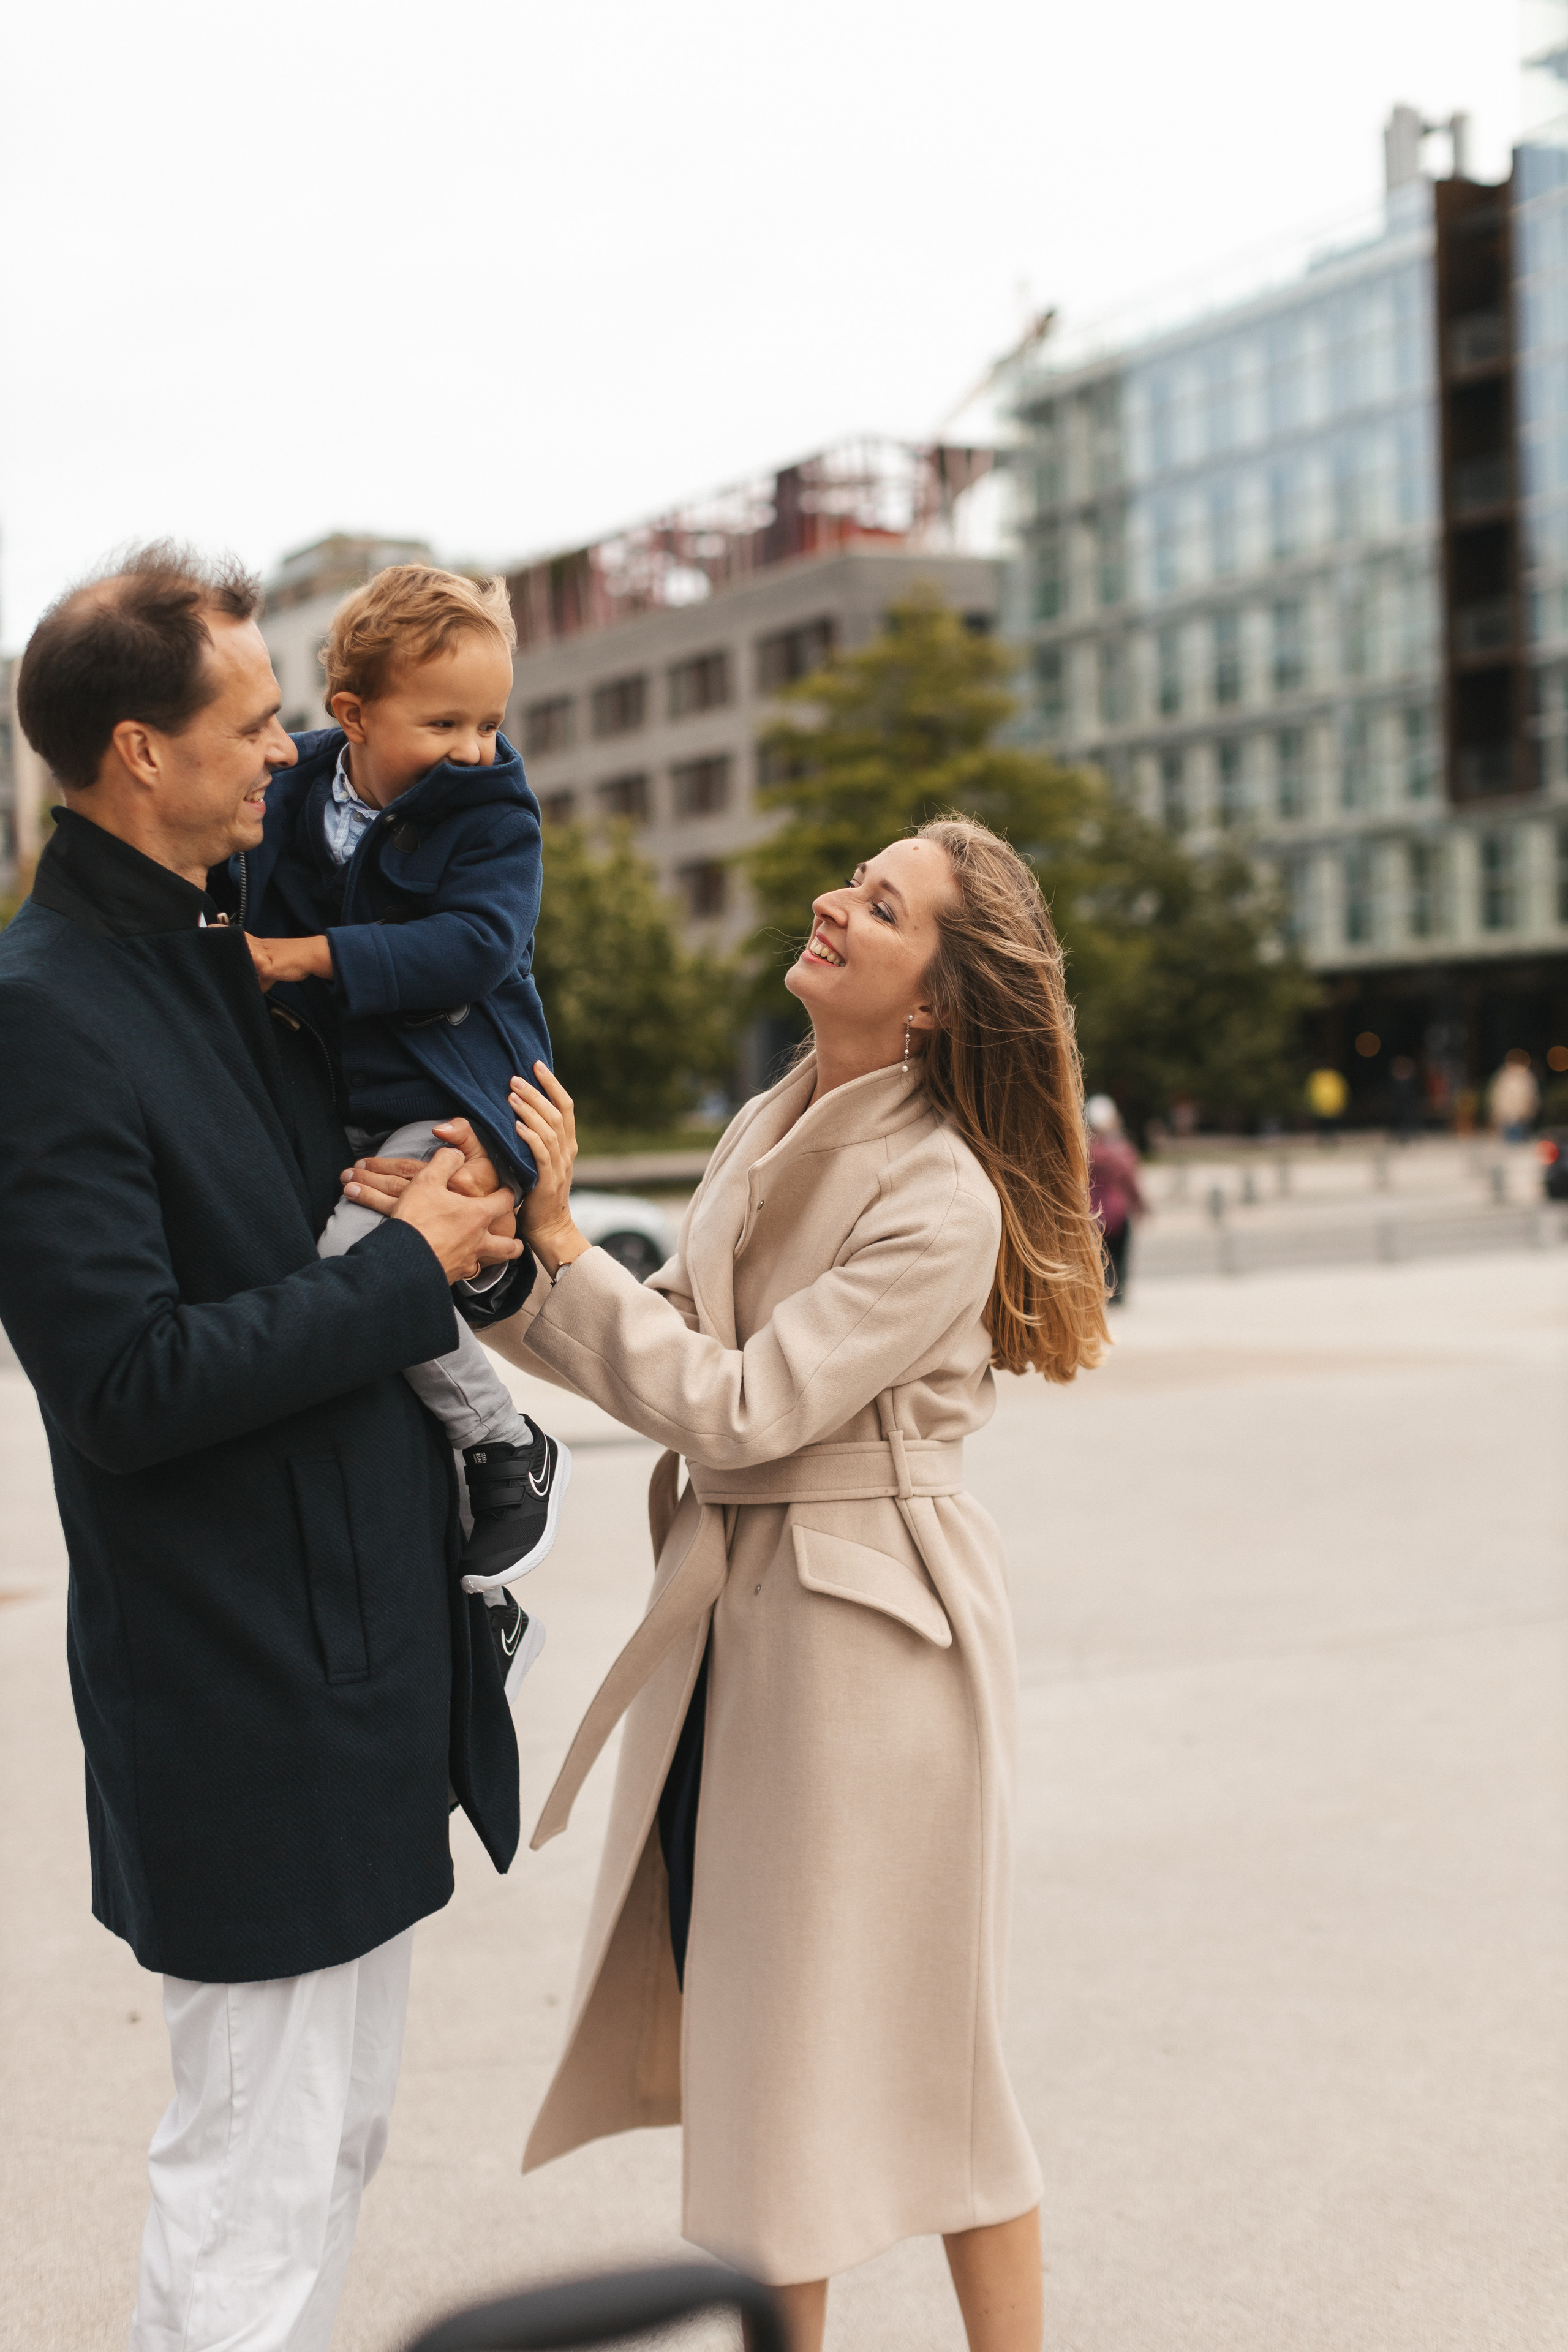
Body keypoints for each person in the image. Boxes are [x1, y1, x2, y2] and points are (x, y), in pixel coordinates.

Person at [352, 816, 1108, 2352]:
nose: (835, 902)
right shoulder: (772, 1118)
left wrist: (555, 1243)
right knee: (779, 2055)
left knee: (908, 2062)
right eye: (854, 880)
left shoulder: (942, 1195)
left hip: (869, 1649)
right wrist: (495, 1263)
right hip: (758, 1624)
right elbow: (672, 1342)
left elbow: (744, 1405)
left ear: (937, 999)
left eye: (879, 905)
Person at [0, 545, 527, 2352]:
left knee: (332, 2153)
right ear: (139, 752)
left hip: (359, 1659)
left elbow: (364, 1205)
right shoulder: (43, 1008)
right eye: (253, 723)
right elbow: (126, 1379)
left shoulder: (231, 950)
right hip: (240, 1678)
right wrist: (403, 1273)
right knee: (250, 2177)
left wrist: (481, 1208)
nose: (290, 749)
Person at [224, 562, 569, 1681]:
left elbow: (477, 945)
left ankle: (505, 1441)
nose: (475, 747)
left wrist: (308, 957)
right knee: (308, 1278)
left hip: (457, 1087)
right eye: (445, 723)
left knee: (354, 1268)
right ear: (352, 716)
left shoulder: (492, 809)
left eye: (490, 721)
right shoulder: (290, 789)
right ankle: (461, 1605)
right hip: (348, 1099)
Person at [1085, 1092, 1147, 1303]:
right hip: (1118, 1211)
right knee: (1119, 1256)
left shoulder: (1083, 1149)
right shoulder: (1119, 1149)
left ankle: (1102, 1293)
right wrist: (1140, 1205)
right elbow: (1130, 1180)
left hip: (1091, 1212)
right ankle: (1117, 1294)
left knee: (1099, 1257)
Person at [1487, 1049, 1539, 1144]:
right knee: (1513, 1145)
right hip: (1511, 1117)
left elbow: (1496, 1096)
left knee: (1516, 1145)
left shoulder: (1505, 1075)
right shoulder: (1508, 1076)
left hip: (1516, 1117)